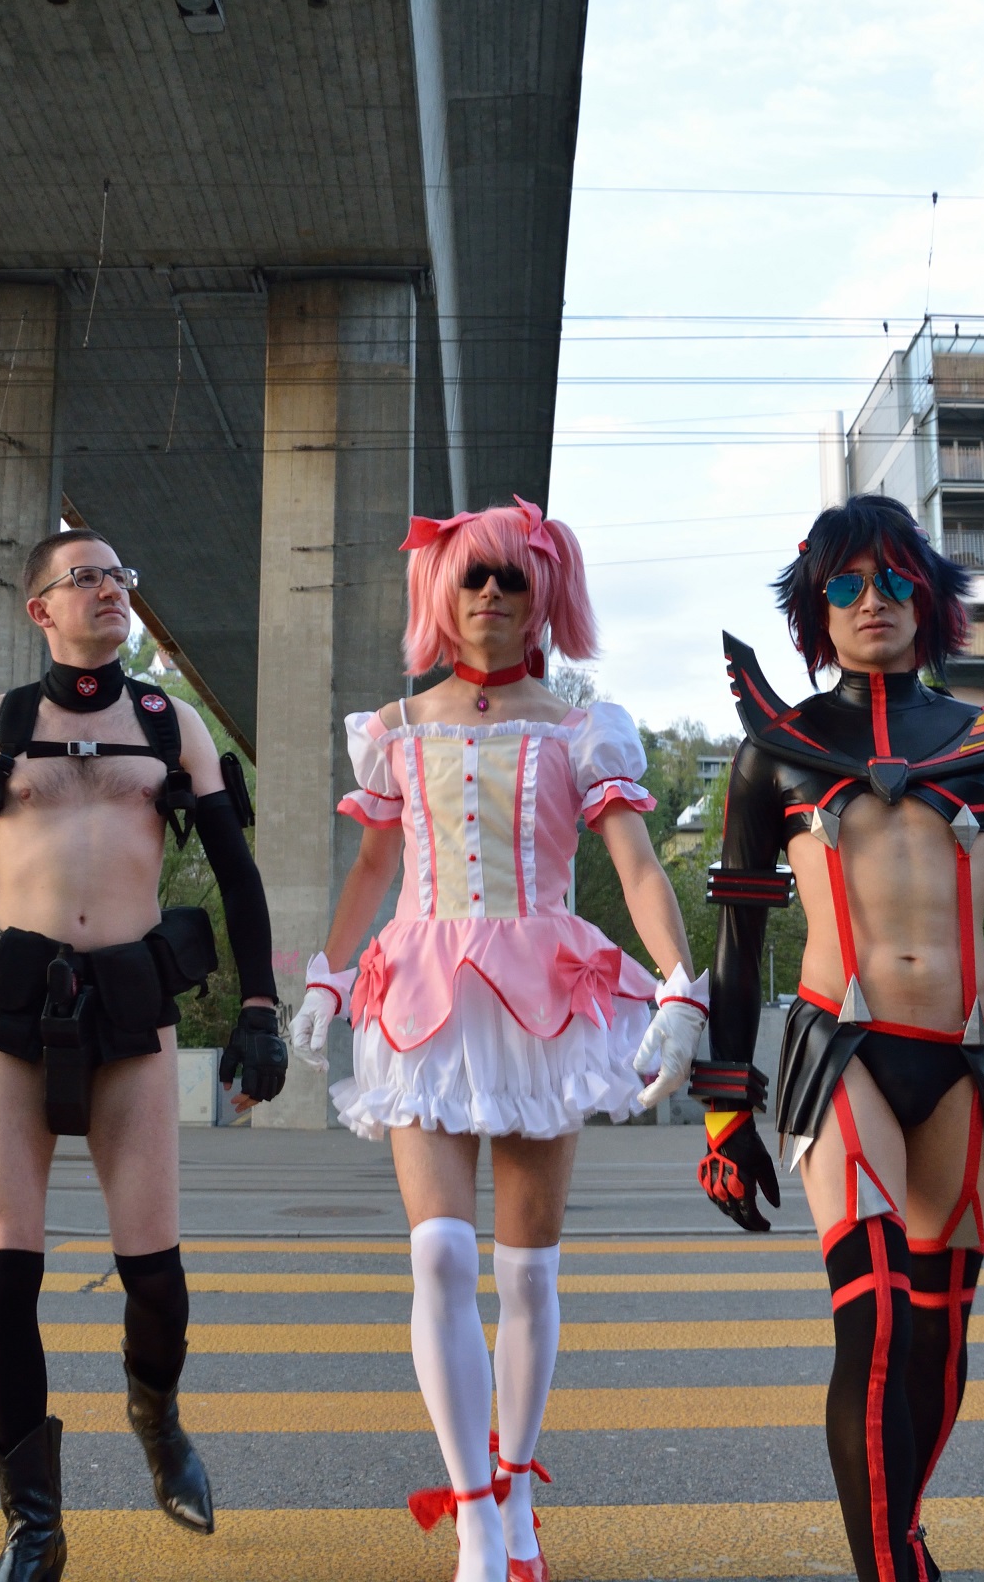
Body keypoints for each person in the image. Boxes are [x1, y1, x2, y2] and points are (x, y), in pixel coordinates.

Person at [686, 493, 984, 1582]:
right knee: (878, 1322)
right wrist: (723, 1112)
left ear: (929, 597)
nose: (872, 601)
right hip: (840, 1052)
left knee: (939, 1335)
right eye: (847, 584)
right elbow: (738, 942)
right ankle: (889, 1568)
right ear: (815, 608)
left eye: (895, 579)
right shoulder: (776, 751)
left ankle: (900, 1533)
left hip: (964, 1060)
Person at [288, 498, 709, 1582]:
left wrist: (680, 986)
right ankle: (475, 1517)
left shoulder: (581, 728)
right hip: (421, 998)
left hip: (540, 1004)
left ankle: (517, 1493)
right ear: (442, 591)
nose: (489, 594)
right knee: (438, 1252)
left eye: (511, 577)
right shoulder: (394, 728)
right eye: (471, 576)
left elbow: (637, 866)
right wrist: (327, 974)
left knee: (526, 1273)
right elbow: (374, 868)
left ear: (543, 596)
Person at [0, 529, 287, 1582]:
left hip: (133, 1012)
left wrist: (261, 1008)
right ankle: (34, 1526)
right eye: (85, 577)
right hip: (11, 1009)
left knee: (155, 1274)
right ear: (40, 608)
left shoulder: (170, 724)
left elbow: (237, 874)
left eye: (119, 576)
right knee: (8, 1263)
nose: (111, 590)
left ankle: (156, 1417)